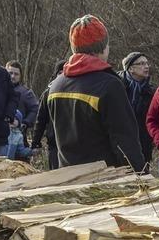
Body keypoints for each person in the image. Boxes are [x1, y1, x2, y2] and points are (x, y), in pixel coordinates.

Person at [48, 14, 144, 172]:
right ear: (104, 47)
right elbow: (125, 141)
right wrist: (140, 176)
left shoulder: (56, 86)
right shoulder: (109, 85)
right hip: (105, 182)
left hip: (68, 179)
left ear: (74, 48)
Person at [118, 52, 155, 170]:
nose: (146, 66)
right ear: (131, 68)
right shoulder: (117, 87)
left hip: (143, 146)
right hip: (120, 147)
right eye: (142, 64)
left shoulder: (150, 91)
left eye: (147, 63)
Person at [32, 60, 65, 170]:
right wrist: (36, 143)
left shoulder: (77, 90)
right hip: (54, 143)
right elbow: (40, 119)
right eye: (60, 73)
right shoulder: (48, 93)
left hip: (74, 144)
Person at [5, 60, 39, 148]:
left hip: (18, 137)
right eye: (10, 73)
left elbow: (35, 109)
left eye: (16, 74)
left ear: (20, 76)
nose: (12, 76)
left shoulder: (26, 93)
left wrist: (25, 123)